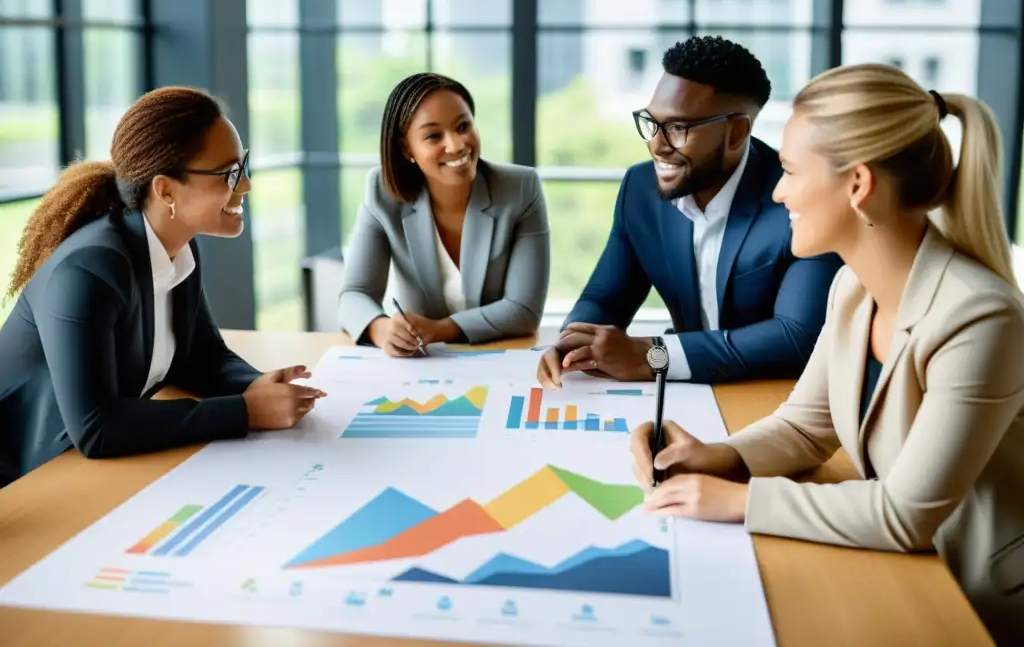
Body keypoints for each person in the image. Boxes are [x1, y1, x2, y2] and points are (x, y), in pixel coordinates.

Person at [629, 64, 1024, 645]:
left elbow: (902, 517)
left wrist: (739, 500)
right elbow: (806, 428)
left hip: (975, 602)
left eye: (788, 171)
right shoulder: (852, 287)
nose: (777, 190)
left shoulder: (980, 319)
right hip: (901, 572)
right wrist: (719, 457)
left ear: (857, 184)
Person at [0, 87, 325, 489]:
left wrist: (253, 384)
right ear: (166, 189)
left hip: (87, 473)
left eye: (243, 167)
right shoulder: (88, 270)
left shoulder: (178, 245)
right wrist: (244, 412)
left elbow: (202, 358)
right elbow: (96, 428)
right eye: (229, 174)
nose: (245, 187)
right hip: (26, 487)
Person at [538, 36, 842, 388]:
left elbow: (797, 338)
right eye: (652, 122)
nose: (656, 144)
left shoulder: (798, 199)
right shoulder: (641, 189)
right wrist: (573, 340)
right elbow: (605, 297)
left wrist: (653, 357)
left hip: (774, 395)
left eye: (678, 128)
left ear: (736, 133)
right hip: (688, 397)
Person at [339, 72, 550, 354]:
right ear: (406, 148)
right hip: (422, 366)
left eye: (463, 126)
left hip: (498, 355)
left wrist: (438, 330)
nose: (456, 145)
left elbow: (523, 310)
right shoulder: (382, 193)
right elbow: (354, 295)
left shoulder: (520, 189)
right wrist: (382, 329)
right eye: (433, 136)